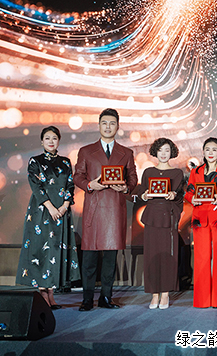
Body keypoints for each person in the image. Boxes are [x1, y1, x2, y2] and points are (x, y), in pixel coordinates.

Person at [73, 108, 138, 311]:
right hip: (94, 208)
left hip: (114, 209)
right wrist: (90, 185)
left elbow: (133, 177)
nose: (108, 127)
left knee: (110, 258)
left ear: (117, 126)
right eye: (104, 123)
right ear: (99, 125)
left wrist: (125, 187)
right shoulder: (86, 151)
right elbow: (77, 176)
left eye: (112, 123)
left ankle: (106, 297)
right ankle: (87, 299)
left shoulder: (126, 153)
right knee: (90, 258)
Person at [17, 126, 81, 309]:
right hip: (42, 212)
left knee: (55, 251)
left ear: (58, 141)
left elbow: (70, 185)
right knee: (41, 251)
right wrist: (51, 208)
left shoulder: (66, 162)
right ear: (41, 141)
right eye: (47, 138)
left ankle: (51, 293)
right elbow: (36, 186)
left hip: (62, 212)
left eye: (54, 138)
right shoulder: (35, 161)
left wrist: (65, 206)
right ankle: (43, 294)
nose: (51, 141)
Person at [133, 138, 185, 309]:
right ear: (155, 152)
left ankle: (165, 294)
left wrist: (174, 196)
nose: (163, 154)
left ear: (172, 153)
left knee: (168, 256)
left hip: (168, 217)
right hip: (152, 218)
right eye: (160, 150)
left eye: (167, 150)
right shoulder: (148, 172)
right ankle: (154, 294)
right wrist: (145, 195)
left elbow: (180, 197)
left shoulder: (177, 173)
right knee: (151, 256)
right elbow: (142, 193)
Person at [184, 137, 217, 308]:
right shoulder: (196, 171)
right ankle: (202, 300)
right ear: (203, 152)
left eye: (214, 149)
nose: (211, 153)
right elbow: (189, 191)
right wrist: (193, 199)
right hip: (201, 218)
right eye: (208, 149)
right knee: (201, 258)